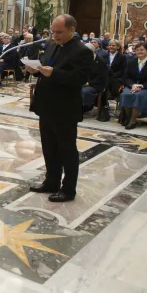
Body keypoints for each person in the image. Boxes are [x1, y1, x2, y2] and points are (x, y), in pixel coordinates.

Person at [27, 14, 93, 203]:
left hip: (65, 109)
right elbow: (46, 69)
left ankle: (68, 189)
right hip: (46, 105)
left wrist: (54, 72)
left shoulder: (82, 51)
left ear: (72, 30)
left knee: (67, 151)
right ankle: (51, 181)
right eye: (53, 31)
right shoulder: (51, 45)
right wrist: (36, 70)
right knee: (48, 148)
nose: (54, 36)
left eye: (59, 32)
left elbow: (79, 79)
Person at [119, 42, 147, 130]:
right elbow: (126, 77)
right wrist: (132, 85)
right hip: (133, 86)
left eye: (142, 50)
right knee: (125, 94)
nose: (139, 52)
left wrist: (141, 86)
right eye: (137, 50)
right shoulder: (131, 61)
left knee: (138, 95)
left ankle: (133, 121)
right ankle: (129, 118)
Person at [81, 42, 109, 114]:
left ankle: (86, 106)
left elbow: (101, 77)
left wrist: (89, 82)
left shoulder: (100, 62)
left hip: (95, 84)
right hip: (83, 82)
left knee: (84, 91)